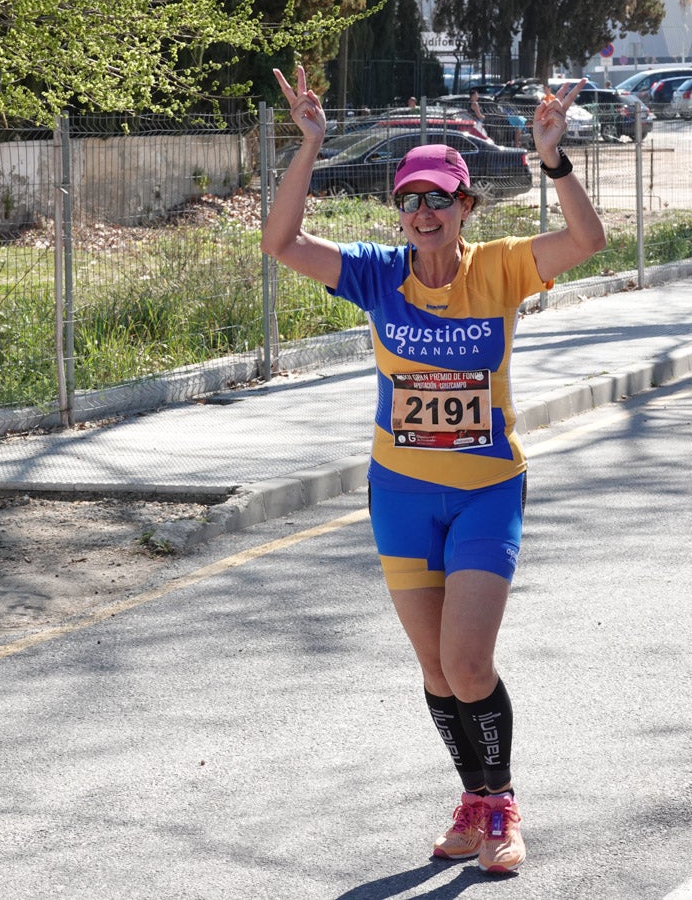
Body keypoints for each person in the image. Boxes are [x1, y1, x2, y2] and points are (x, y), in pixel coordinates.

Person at [261, 66, 606, 875]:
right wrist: (309, 145)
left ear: (464, 208)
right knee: (433, 668)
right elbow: (280, 243)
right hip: (401, 495)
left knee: (467, 662)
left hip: (486, 488)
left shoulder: (500, 270)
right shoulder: (378, 276)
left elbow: (586, 243)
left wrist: (553, 162)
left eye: (437, 199)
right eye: (408, 200)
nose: (421, 213)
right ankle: (473, 802)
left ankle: (503, 803)